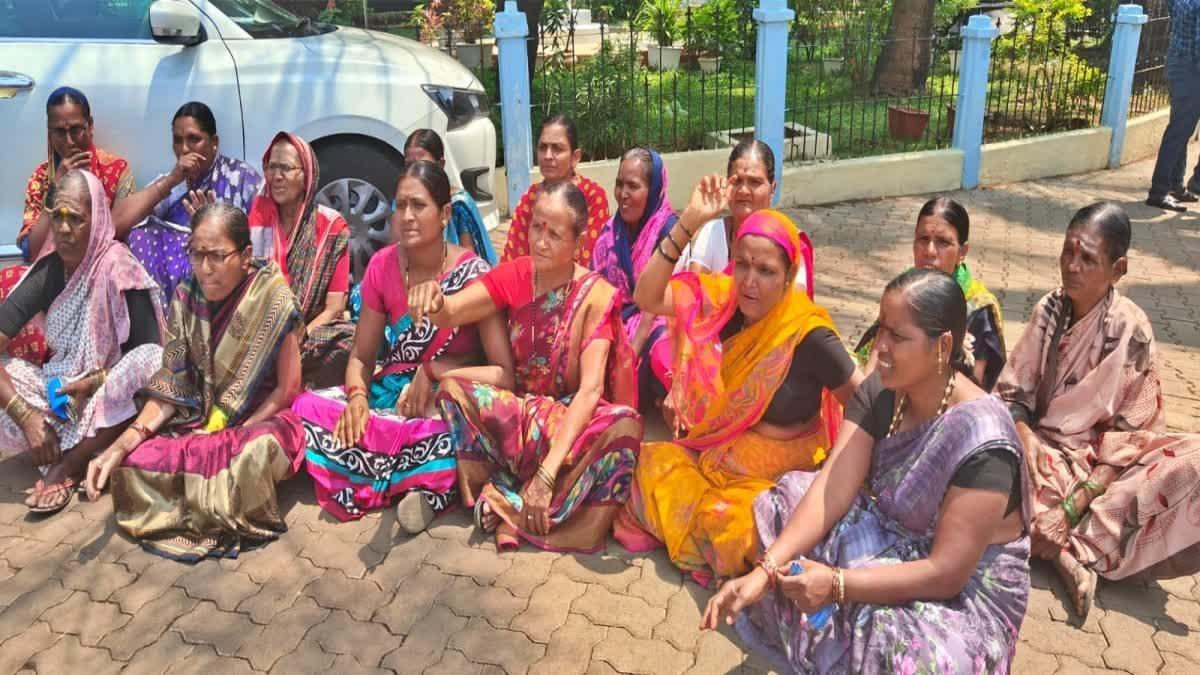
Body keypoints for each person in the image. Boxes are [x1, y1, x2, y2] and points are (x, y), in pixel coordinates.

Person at [703, 268, 1030, 675]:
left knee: (921, 660)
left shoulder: (983, 439)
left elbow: (946, 572)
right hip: (890, 536)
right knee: (784, 500)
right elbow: (833, 487)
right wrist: (765, 571)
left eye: (898, 336)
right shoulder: (882, 389)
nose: (881, 347)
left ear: (943, 345)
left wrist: (837, 584)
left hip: (962, 591)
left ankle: (833, 623)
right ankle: (826, 617)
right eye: (881, 330)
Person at [613, 182, 862, 586]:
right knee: (647, 461)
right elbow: (647, 296)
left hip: (775, 479)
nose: (749, 281)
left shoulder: (809, 333)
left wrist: (838, 476)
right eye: (742, 265)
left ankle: (694, 534)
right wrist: (689, 223)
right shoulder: (730, 303)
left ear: (788, 277)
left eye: (766, 271)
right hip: (723, 456)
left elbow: (863, 403)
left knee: (734, 529)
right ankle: (695, 533)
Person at [408, 180, 642, 553]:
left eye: (554, 233)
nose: (541, 241)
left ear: (578, 242)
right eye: (536, 227)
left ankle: (511, 507)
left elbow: (591, 390)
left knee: (624, 425)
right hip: (518, 416)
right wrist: (436, 301)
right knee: (453, 390)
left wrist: (548, 473)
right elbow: (453, 311)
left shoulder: (595, 296)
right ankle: (514, 491)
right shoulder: (516, 274)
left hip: (567, 424)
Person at [997, 201, 1200, 617]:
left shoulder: (1133, 329)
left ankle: (1058, 539)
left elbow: (1132, 437)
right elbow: (1011, 394)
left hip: (1107, 471)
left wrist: (1071, 509)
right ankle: (1066, 555)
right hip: (1048, 456)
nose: (1071, 265)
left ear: (1117, 270)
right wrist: (1026, 436)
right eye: (1068, 252)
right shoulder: (1049, 310)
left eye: (1087, 258)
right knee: (995, 462)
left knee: (1191, 464)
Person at [292, 161, 512, 533]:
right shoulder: (381, 266)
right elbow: (362, 355)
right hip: (391, 398)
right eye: (400, 205)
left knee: (452, 441)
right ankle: (421, 484)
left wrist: (434, 371)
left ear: (444, 214)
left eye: (418, 206)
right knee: (305, 408)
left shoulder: (475, 276)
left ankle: (401, 478)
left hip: (444, 404)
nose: (406, 216)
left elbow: (504, 375)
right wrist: (359, 398)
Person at [85, 203, 305, 562]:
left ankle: (205, 488)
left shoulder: (273, 297)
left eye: (217, 256)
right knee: (135, 465)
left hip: (263, 419)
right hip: (202, 419)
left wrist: (236, 432)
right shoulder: (186, 298)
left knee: (251, 458)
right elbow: (172, 385)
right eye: (196, 254)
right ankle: (204, 490)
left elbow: (288, 389)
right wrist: (119, 447)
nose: (204, 268)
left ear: (246, 255)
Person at [0, 170, 163, 514]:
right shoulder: (49, 270)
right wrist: (25, 415)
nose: (62, 229)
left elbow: (148, 354)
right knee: (6, 373)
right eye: (56, 216)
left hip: (107, 394)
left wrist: (91, 382)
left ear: (97, 219)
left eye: (75, 218)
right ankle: (55, 440)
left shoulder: (118, 268)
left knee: (149, 361)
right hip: (56, 398)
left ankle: (67, 465)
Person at [853, 197, 1007, 390]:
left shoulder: (978, 308)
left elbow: (972, 389)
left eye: (943, 242)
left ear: (962, 251)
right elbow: (873, 369)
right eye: (923, 239)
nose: (930, 251)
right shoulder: (903, 292)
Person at [121, 101, 264, 306]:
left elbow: (260, 242)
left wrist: (212, 227)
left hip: (223, 279)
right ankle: (164, 327)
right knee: (140, 235)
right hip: (174, 289)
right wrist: (171, 180)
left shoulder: (241, 179)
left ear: (214, 141)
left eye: (193, 140)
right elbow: (115, 224)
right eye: (177, 141)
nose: (184, 149)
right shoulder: (174, 182)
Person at [247, 131, 354, 388]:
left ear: (307, 175)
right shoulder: (258, 220)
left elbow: (334, 308)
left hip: (306, 337)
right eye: (272, 167)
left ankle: (292, 381)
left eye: (286, 168)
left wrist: (296, 337)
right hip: (260, 334)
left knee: (352, 341)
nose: (276, 176)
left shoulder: (332, 227)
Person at [589, 146, 677, 402]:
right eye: (619, 184)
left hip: (656, 320)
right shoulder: (611, 231)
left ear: (653, 190)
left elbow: (661, 301)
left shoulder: (669, 232)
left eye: (633, 186)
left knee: (662, 352)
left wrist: (634, 348)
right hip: (618, 318)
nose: (623, 194)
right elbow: (597, 289)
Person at [675, 139, 812, 296]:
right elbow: (691, 297)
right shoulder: (712, 232)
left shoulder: (790, 242)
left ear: (772, 188)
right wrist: (693, 218)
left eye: (754, 182)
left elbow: (795, 305)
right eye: (737, 181)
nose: (743, 191)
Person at [17, 87, 136, 263]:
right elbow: (32, 250)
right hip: (53, 270)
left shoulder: (116, 172)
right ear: (50, 134)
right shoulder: (40, 178)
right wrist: (57, 184)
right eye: (59, 132)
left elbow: (122, 234)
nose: (69, 141)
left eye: (75, 130)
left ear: (91, 126)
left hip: (102, 268)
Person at [501, 115, 609, 267]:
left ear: (575, 157)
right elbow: (513, 261)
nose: (547, 156)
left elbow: (590, 260)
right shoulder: (530, 198)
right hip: (532, 284)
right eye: (543, 147)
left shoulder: (592, 197)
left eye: (557, 148)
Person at [402, 129, 498, 265]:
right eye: (409, 165)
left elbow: (467, 262)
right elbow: (394, 252)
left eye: (423, 165)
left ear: (440, 164)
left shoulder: (458, 204)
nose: (416, 172)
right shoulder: (401, 203)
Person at [1145, 0, 1200, 211]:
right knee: (1179, 130)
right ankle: (1158, 192)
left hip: (1176, 62)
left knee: (1181, 128)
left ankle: (1175, 185)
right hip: (1191, 70)